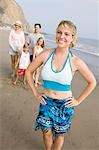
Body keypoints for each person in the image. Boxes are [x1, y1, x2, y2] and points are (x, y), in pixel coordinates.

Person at [26, 20, 96, 150]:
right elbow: (28, 71)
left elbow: (92, 82)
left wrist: (78, 101)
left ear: (72, 38)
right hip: (46, 102)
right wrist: (36, 93)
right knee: (46, 132)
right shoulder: (45, 55)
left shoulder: (75, 61)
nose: (61, 36)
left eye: (66, 34)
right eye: (59, 32)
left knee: (59, 135)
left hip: (65, 104)